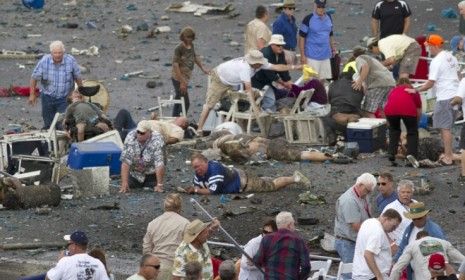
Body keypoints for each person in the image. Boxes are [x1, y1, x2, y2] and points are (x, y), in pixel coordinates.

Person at [196, 50, 301, 134]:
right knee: (209, 104)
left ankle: (232, 127)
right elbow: (248, 90)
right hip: (219, 78)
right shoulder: (245, 68)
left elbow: (276, 67)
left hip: (231, 81)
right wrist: (255, 108)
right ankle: (199, 129)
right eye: (259, 64)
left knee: (234, 103)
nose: (261, 65)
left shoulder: (260, 63)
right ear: (254, 63)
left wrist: (294, 67)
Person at [412, 34, 460, 166]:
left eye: (428, 46)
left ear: (434, 46)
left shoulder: (436, 61)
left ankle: (448, 156)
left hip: (445, 96)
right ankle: (448, 153)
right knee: (448, 127)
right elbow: (459, 75)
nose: (428, 49)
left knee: (444, 128)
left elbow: (430, 83)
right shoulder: (451, 57)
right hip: (455, 95)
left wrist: (415, 90)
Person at [185, 153, 310, 195]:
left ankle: (295, 178)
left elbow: (213, 191)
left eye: (198, 166)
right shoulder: (199, 174)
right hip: (238, 176)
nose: (197, 170)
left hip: (244, 182)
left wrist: (195, 191)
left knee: (272, 186)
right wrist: (194, 189)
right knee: (265, 180)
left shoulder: (215, 169)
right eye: (194, 168)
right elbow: (198, 186)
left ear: (205, 162)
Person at [29, 40, 83, 129]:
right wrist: (32, 94)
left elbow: (78, 77)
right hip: (47, 97)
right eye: (55, 53)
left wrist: (80, 92)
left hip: (64, 98)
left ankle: (62, 141)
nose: (57, 55)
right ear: (51, 53)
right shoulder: (44, 61)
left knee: (62, 124)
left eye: (60, 53)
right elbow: (34, 78)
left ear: (63, 52)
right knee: (48, 124)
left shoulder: (70, 60)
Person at [204, 131, 333, 164]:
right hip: (274, 143)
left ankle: (332, 156)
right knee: (302, 153)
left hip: (273, 149)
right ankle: (329, 156)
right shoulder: (238, 137)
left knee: (303, 155)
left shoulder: (231, 144)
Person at [394, 202, 447, 280]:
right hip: (413, 271)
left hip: (429, 271)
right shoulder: (409, 228)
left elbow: (443, 251)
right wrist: (395, 261)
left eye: (419, 218)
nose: (416, 221)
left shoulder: (434, 230)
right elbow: (403, 246)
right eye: (414, 219)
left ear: (425, 216)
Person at [142, 194, 189, 280]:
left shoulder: (153, 223)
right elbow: (188, 249)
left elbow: (146, 249)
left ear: (165, 206)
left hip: (155, 268)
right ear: (180, 207)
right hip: (175, 269)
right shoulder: (185, 224)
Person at [334, 173, 377, 267]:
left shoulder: (362, 195)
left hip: (354, 240)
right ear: (360, 185)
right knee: (349, 273)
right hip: (347, 243)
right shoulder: (349, 200)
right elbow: (356, 226)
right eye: (367, 190)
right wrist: (375, 233)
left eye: (370, 191)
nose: (368, 194)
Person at [253, 211, 311, 280]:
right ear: (289, 225)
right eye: (294, 224)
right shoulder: (298, 241)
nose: (294, 227)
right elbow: (306, 266)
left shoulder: (266, 239)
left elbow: (257, 260)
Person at [391, 231, 465, 280]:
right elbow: (462, 260)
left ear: (417, 239)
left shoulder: (412, 245)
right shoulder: (443, 242)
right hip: (444, 276)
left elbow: (397, 268)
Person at [352, 209, 401, 280]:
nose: (394, 229)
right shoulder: (378, 231)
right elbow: (368, 254)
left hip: (362, 273)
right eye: (394, 226)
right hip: (371, 276)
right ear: (386, 219)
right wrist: (379, 276)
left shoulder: (368, 222)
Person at [171, 26, 209, 117]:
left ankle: (174, 119)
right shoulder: (179, 48)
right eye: (187, 37)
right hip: (178, 77)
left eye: (191, 37)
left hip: (187, 76)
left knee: (178, 98)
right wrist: (182, 81)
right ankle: (180, 120)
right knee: (185, 102)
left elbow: (194, 57)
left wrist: (203, 68)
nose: (189, 39)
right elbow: (175, 65)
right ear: (183, 37)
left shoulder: (191, 45)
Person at [119, 120, 165, 193]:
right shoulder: (130, 137)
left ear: (149, 132)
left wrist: (159, 185)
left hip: (150, 174)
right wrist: (124, 183)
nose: (139, 134)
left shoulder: (157, 139)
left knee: (152, 189)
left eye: (142, 133)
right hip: (135, 174)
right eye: (138, 132)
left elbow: (159, 164)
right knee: (128, 185)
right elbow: (125, 162)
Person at [384, 77, 422, 165]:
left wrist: (388, 122)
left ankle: (391, 153)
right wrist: (417, 122)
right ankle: (411, 155)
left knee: (394, 130)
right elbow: (418, 109)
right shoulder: (413, 90)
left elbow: (388, 104)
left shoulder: (394, 90)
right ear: (409, 83)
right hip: (408, 110)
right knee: (412, 132)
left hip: (390, 110)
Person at [251, 34, 293, 113]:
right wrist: (284, 83)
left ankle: (265, 112)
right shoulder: (265, 54)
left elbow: (283, 68)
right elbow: (269, 73)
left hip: (267, 81)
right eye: (278, 45)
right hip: (256, 80)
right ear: (272, 45)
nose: (281, 47)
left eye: (282, 45)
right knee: (270, 99)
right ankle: (265, 115)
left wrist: (288, 80)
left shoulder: (281, 53)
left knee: (273, 96)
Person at [352, 45, 396, 118]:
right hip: (390, 83)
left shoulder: (360, 58)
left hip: (378, 84)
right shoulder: (372, 59)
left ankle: (374, 129)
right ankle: (387, 128)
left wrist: (359, 82)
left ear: (354, 55)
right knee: (383, 109)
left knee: (368, 111)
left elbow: (365, 67)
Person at [298, 0, 336, 81]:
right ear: (315, 5)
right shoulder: (308, 19)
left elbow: (330, 34)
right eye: (319, 6)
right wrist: (302, 55)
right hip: (312, 57)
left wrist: (333, 48)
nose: (321, 9)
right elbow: (301, 37)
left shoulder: (329, 17)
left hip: (326, 55)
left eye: (323, 6)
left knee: (322, 80)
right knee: (310, 82)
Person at [112, 109, 188, 143]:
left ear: (183, 124)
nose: (177, 117)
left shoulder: (178, 129)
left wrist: (161, 142)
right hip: (142, 124)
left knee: (127, 133)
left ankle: (113, 136)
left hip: (146, 131)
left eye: (180, 118)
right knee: (124, 112)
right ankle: (115, 132)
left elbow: (174, 139)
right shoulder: (169, 122)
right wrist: (154, 119)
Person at [382, 179, 416, 246]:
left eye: (408, 192)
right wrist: (392, 244)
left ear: (412, 193)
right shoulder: (391, 207)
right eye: (403, 192)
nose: (405, 194)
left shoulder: (416, 204)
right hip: (399, 245)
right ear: (398, 193)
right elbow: (382, 228)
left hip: (415, 244)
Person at [272, 0, 298, 65]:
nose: (292, 10)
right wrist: (281, 53)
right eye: (290, 8)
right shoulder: (279, 22)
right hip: (283, 52)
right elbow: (275, 40)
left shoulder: (292, 19)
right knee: (284, 73)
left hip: (292, 50)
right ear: (284, 9)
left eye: (293, 8)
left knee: (288, 72)